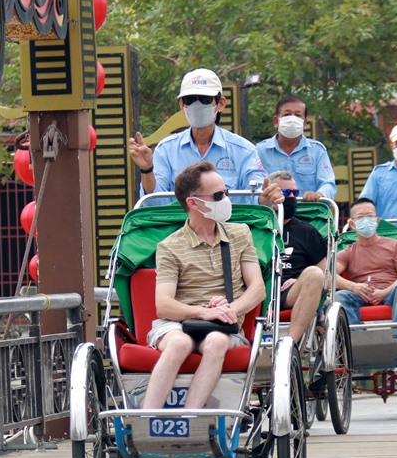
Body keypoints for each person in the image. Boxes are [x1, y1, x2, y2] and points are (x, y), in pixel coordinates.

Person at [143, 162, 267, 410]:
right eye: (219, 196)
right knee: (179, 343)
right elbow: (163, 305)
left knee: (216, 342)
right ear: (193, 203)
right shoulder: (169, 246)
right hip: (178, 324)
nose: (226, 199)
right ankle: (146, 421)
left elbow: (258, 288)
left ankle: (192, 418)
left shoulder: (240, 233)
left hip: (224, 325)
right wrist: (203, 311)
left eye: (226, 192)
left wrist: (230, 308)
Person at [128, 67, 283, 206]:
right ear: (182, 105)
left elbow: (255, 197)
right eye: (190, 100)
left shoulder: (243, 150)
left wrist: (265, 198)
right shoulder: (166, 149)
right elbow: (155, 204)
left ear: (221, 103)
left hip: (231, 232)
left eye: (205, 99)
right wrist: (147, 169)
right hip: (179, 232)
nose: (197, 105)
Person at [335, 197, 397, 348]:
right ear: (352, 224)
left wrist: (384, 292)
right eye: (361, 218)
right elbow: (328, 275)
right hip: (361, 292)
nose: (366, 221)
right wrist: (354, 287)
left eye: (370, 216)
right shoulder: (348, 251)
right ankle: (358, 343)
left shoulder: (396, 245)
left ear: (377, 221)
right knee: (340, 296)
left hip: (391, 291)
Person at [268, 171, 328, 342]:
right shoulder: (255, 228)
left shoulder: (306, 231)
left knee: (315, 274)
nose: (292, 197)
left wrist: (301, 281)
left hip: (292, 290)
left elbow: (326, 275)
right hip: (261, 289)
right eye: (286, 193)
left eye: (295, 193)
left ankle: (290, 344)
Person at [256, 97, 337, 201]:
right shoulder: (260, 151)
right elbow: (254, 184)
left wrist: (320, 194)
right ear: (276, 121)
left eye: (298, 115)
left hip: (307, 212)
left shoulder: (317, 151)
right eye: (287, 115)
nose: (292, 119)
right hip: (273, 211)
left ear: (304, 123)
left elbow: (328, 183)